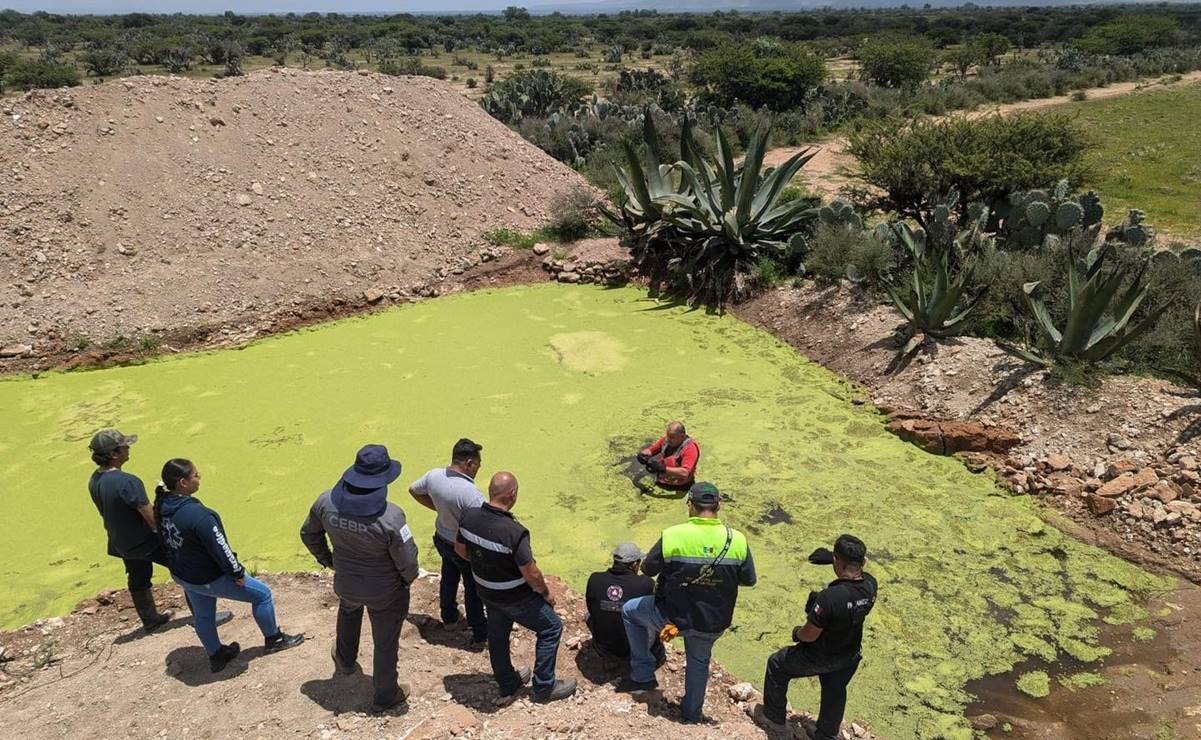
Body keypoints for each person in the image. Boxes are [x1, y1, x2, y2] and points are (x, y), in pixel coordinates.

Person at [618, 481, 756, 724]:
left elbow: (648, 569)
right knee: (699, 662)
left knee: (630, 611)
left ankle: (643, 674)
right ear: (718, 506)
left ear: (690, 504)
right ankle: (691, 715)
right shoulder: (737, 540)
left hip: (672, 617)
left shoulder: (673, 535)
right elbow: (748, 579)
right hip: (712, 622)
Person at [301, 444, 420, 713]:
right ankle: (385, 695)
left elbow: (308, 533)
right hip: (385, 591)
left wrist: (328, 560)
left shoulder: (325, 502)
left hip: (346, 582)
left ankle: (345, 660)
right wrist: (406, 580)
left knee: (348, 610)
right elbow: (408, 560)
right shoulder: (392, 517)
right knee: (385, 643)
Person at [156, 458, 304, 673]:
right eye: (196, 475)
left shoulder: (161, 505)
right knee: (262, 595)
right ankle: (275, 639)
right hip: (207, 577)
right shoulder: (200, 516)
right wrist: (237, 573)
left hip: (185, 576)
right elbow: (220, 548)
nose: (199, 478)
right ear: (183, 483)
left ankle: (216, 655)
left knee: (203, 614)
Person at [456, 471, 576, 704]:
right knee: (551, 627)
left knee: (497, 633)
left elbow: (460, 550)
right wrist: (545, 593)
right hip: (515, 596)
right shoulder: (514, 532)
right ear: (512, 495)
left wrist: (485, 566)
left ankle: (507, 682)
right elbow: (531, 573)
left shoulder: (469, 517)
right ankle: (544, 686)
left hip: (486, 590)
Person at [753, 535, 878, 740]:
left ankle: (773, 718)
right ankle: (826, 734)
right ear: (863, 562)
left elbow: (809, 635)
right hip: (849, 654)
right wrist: (833, 559)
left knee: (777, 664)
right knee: (835, 689)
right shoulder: (871, 586)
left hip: (821, 655)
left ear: (837, 560)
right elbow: (857, 579)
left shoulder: (829, 598)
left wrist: (797, 633)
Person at [86, 429, 173, 632]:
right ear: (114, 454)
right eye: (124, 446)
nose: (128, 448)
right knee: (186, 568)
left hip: (121, 542)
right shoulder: (127, 481)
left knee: (138, 577)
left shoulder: (94, 480)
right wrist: (168, 535)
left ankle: (150, 619)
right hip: (145, 540)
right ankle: (203, 615)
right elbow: (150, 516)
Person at [408, 438, 487, 646]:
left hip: (442, 538)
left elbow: (413, 490)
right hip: (463, 547)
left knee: (449, 578)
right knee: (473, 589)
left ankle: (449, 619)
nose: (478, 469)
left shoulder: (434, 476)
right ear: (469, 463)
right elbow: (483, 524)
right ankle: (479, 631)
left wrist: (438, 508)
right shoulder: (471, 494)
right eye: (478, 465)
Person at [584, 542, 661, 664]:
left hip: (604, 646)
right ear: (635, 564)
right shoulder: (645, 584)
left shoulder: (595, 579)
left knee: (587, 615)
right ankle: (649, 654)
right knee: (655, 621)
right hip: (631, 648)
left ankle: (605, 648)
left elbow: (590, 608)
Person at [637, 421, 700, 490]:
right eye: (668, 436)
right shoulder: (666, 440)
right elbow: (652, 450)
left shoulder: (690, 449)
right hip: (662, 480)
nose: (668, 439)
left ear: (682, 436)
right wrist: (642, 455)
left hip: (679, 486)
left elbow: (685, 473)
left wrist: (662, 468)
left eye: (672, 437)